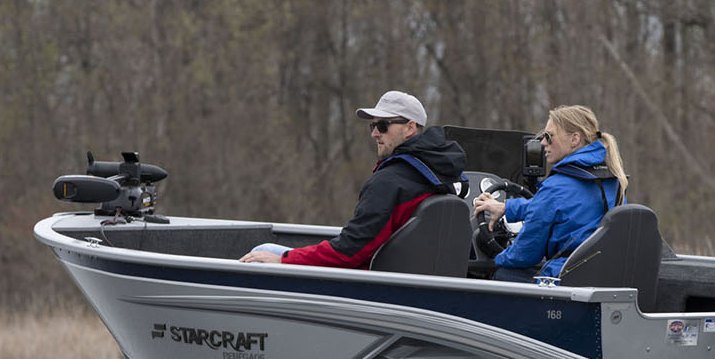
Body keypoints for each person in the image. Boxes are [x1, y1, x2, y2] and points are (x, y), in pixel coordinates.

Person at [240, 91, 466, 267]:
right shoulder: (444, 175)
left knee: (263, 251)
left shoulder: (389, 182)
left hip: (372, 287)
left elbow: (350, 251)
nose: (374, 133)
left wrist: (284, 260)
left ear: (410, 128)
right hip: (412, 284)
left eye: (383, 126)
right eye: (373, 125)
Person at [471, 104, 628, 282]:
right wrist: (506, 208)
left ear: (575, 139)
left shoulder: (556, 186)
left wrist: (496, 259)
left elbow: (525, 254)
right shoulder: (613, 180)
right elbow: (562, 206)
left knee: (504, 274)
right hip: (602, 277)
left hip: (565, 280)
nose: (543, 143)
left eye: (549, 136)